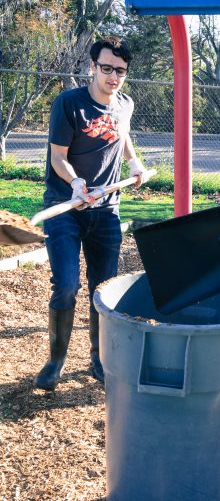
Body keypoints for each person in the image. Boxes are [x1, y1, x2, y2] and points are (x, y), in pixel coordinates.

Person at [34, 36, 148, 391]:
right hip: (65, 206)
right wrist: (76, 183)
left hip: (106, 210)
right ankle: (55, 360)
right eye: (107, 68)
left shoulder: (125, 104)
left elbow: (123, 134)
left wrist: (134, 162)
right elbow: (58, 158)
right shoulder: (69, 104)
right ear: (92, 67)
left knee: (103, 290)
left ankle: (99, 359)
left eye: (121, 71)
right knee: (66, 284)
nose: (114, 77)